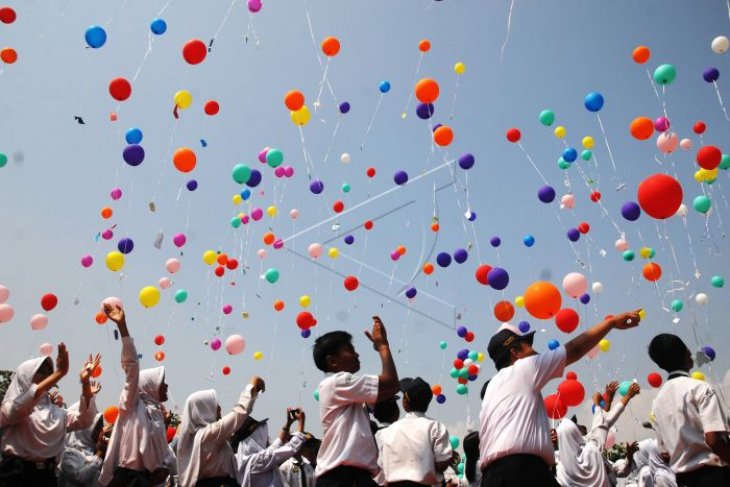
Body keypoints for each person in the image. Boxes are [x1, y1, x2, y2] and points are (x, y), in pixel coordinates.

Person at [479, 310, 641, 487]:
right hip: (522, 472)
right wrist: (611, 323)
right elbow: (574, 349)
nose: (535, 350)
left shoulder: (492, 388)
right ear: (515, 352)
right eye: (528, 345)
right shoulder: (523, 368)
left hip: (493, 477)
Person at [313, 316, 399, 486]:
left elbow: (391, 387)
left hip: (352, 476)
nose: (356, 354)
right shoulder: (338, 382)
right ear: (332, 361)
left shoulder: (347, 390)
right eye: (350, 350)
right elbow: (391, 382)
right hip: (341, 477)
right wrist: (382, 346)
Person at [0, 344, 100, 487]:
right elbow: (19, 408)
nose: (47, 375)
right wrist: (59, 373)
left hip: (47, 477)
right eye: (41, 371)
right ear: (25, 375)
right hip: (15, 475)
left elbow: (85, 419)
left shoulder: (57, 413)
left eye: (49, 372)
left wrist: (85, 383)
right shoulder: (10, 407)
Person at [99, 304, 176, 487]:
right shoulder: (133, 403)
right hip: (128, 480)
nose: (165, 386)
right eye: (161, 382)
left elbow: (161, 451)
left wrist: (163, 469)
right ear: (149, 386)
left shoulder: (155, 411)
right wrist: (122, 327)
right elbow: (132, 367)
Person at [648, 333, 730, 486]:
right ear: (685, 353)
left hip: (683, 480)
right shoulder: (699, 387)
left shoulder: (657, 402)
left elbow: (664, 453)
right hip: (713, 477)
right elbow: (713, 439)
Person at [176, 376, 266, 487]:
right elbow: (239, 413)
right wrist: (251, 386)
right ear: (205, 409)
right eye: (215, 405)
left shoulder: (197, 437)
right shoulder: (208, 434)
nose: (219, 408)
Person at [555, 383, 640, 487]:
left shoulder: (561, 468)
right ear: (575, 434)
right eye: (575, 426)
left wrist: (608, 401)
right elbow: (601, 425)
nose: (579, 425)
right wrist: (600, 402)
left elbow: (602, 424)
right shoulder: (591, 449)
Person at [377, 377, 452, 486]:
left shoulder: (387, 432)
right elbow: (442, 462)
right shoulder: (435, 427)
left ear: (405, 402)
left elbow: (381, 468)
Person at [233, 408, 307, 486]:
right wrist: (301, 423)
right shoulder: (258, 460)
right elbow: (291, 447)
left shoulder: (239, 458)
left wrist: (288, 424)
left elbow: (277, 445)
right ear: (255, 438)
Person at [58, 391, 109, 487]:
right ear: (86, 429)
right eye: (97, 427)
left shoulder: (96, 449)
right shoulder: (69, 453)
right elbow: (80, 477)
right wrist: (99, 455)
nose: (100, 431)